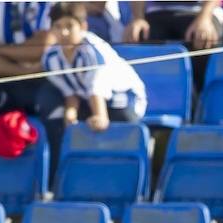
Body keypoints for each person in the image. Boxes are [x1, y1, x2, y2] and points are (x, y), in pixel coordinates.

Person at [38, 3, 146, 155]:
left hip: (123, 100)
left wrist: (99, 116)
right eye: (58, 26)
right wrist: (71, 111)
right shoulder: (50, 58)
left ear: (83, 27)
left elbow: (96, 85)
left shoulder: (91, 50)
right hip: (88, 101)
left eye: (70, 26)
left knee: (124, 127)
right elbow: (69, 90)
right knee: (59, 123)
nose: (64, 32)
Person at [124, 1, 223, 82]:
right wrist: (138, 18)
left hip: (201, 13)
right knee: (139, 35)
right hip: (156, 14)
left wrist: (205, 18)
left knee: (202, 37)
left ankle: (197, 99)